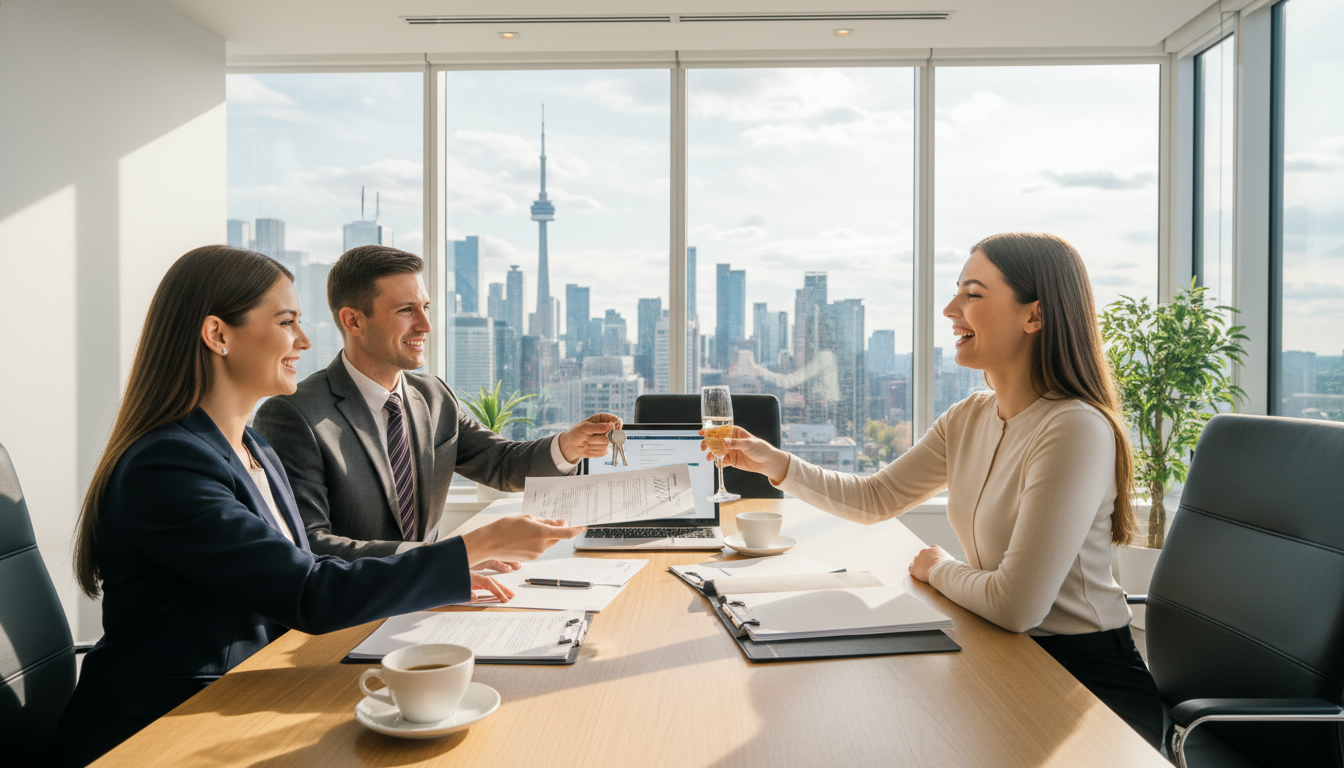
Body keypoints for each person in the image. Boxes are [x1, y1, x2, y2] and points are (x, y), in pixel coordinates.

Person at [50, 246, 583, 767]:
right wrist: (469, 549)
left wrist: (447, 575)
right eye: (286, 322)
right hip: (158, 731)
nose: (304, 340)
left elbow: (310, 569)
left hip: (244, 695)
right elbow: (308, 590)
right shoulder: (168, 467)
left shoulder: (250, 449)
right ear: (217, 335)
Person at [707, 232, 1164, 748]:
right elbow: (874, 498)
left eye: (972, 294)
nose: (950, 309)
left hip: (1088, 689)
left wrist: (938, 568)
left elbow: (1017, 606)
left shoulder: (1073, 428)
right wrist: (777, 463)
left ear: (1033, 316)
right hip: (1005, 655)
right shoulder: (969, 416)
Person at [254, 245, 618, 562]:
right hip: (355, 614)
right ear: (353, 321)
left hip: (434, 598)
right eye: (406, 310)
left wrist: (568, 446)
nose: (426, 324)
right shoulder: (294, 414)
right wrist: (453, 556)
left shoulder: (433, 396)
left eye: (426, 307)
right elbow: (310, 545)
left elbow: (499, 463)